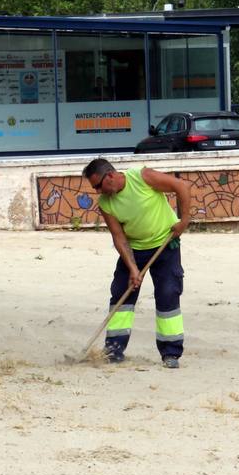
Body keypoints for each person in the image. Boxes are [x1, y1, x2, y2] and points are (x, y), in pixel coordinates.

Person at [83, 157, 193, 368]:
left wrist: (184, 220)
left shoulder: (142, 177)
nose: (98, 191)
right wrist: (133, 268)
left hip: (165, 243)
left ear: (111, 175)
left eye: (98, 185)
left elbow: (181, 186)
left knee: (168, 293)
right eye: (94, 187)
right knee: (121, 294)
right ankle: (113, 350)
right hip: (134, 249)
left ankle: (171, 352)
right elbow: (119, 237)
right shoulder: (106, 203)